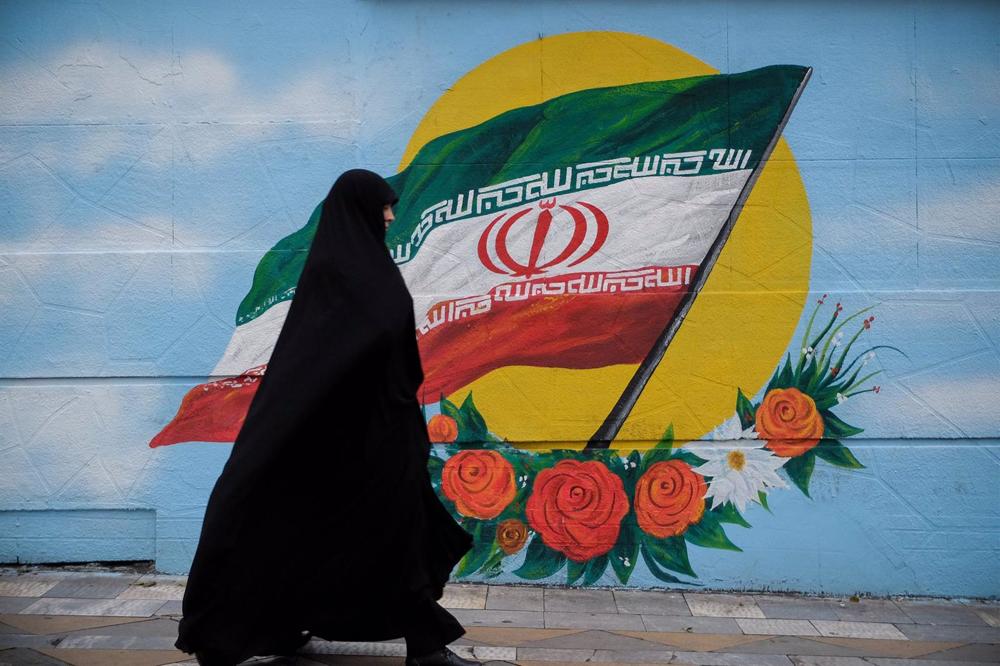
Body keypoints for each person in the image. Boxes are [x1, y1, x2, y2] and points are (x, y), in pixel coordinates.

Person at [174, 169, 478, 666]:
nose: (390, 216)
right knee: (388, 534)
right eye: (381, 207)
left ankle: (284, 627)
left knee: (372, 533)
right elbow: (326, 362)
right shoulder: (341, 277)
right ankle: (425, 646)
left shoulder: (365, 269)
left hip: (380, 435)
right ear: (356, 211)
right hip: (352, 442)